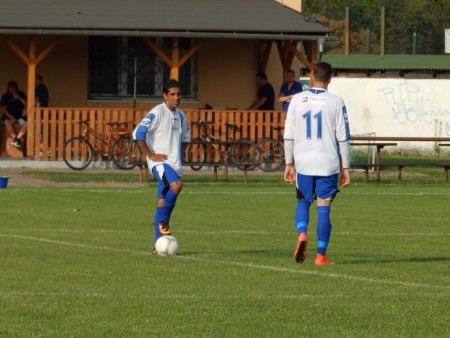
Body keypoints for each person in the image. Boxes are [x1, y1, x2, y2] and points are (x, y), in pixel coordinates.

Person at [283, 62, 351, 266]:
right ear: (330, 78)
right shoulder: (337, 102)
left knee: (303, 202)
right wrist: (345, 168)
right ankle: (320, 256)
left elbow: (288, 135)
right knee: (324, 209)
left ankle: (302, 234)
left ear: (312, 76)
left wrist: (289, 163)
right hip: (327, 162)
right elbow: (344, 138)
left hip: (304, 161)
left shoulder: (296, 99)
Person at [133, 79, 191, 253]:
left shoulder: (181, 115)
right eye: (172, 94)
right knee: (176, 185)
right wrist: (150, 155)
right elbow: (138, 133)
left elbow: (186, 138)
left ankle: (157, 246)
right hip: (160, 164)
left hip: (173, 165)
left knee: (161, 201)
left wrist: (178, 156)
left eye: (178, 94)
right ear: (165, 96)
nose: (176, 98)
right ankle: (164, 222)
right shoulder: (157, 112)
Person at [1, 81, 27, 148]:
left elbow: (27, 104)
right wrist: (11, 117)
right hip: (9, 116)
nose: (12, 89)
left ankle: (18, 139)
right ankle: (15, 138)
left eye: (14, 87)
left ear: (16, 88)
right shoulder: (5, 96)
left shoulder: (21, 94)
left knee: (28, 123)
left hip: (20, 116)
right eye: (10, 87)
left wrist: (19, 98)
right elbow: (4, 109)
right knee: (6, 122)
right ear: (8, 88)